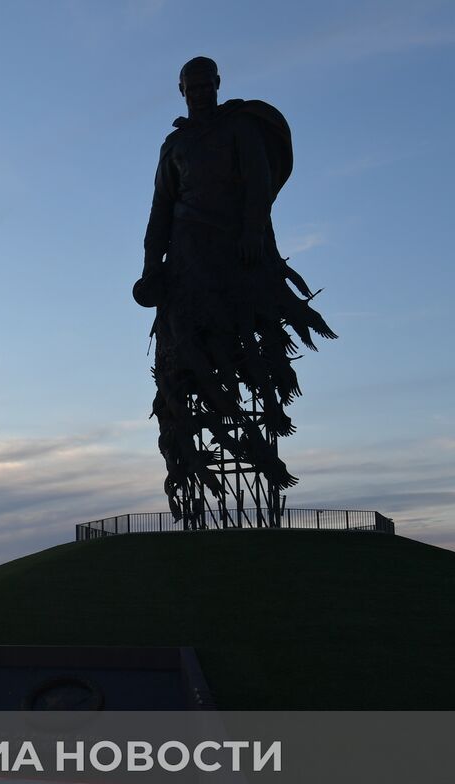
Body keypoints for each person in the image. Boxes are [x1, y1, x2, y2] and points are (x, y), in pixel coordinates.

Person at [136, 57, 337, 521]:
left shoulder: (239, 128)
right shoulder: (174, 145)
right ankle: (191, 489)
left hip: (234, 253)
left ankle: (263, 447)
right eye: (193, 86)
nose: (201, 92)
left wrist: (252, 232)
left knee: (243, 344)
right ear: (181, 89)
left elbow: (259, 185)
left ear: (218, 85)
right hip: (187, 258)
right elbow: (160, 210)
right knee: (184, 359)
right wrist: (151, 268)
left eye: (208, 85)